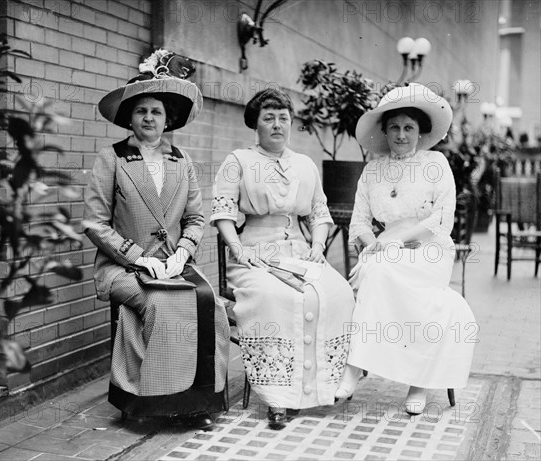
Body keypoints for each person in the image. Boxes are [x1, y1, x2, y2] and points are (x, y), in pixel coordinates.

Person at [83, 50, 229, 430]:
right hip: (121, 268)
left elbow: (196, 219)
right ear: (129, 118)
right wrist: (137, 257)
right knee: (163, 304)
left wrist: (183, 251)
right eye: (141, 110)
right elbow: (95, 224)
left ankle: (197, 402)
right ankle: (149, 402)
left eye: (157, 111)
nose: (149, 118)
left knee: (208, 302)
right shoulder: (112, 159)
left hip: (173, 264)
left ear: (168, 120)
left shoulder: (183, 162)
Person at [210, 88, 355, 429]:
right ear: (255, 125)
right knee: (278, 297)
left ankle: (328, 384)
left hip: (300, 254)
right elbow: (223, 213)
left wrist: (318, 247)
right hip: (255, 256)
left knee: (339, 292)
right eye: (269, 118)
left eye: (283, 119)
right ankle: (279, 396)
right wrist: (239, 249)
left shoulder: (304, 164)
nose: (277, 125)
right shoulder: (239, 161)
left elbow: (319, 212)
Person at [339, 83, 477, 415]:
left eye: (409, 127)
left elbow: (443, 216)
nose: (402, 135)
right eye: (395, 127)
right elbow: (358, 222)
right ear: (385, 131)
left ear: (420, 131)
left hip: (429, 249)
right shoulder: (373, 170)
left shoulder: (436, 163)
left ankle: (419, 383)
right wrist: (374, 245)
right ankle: (355, 367)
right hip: (386, 251)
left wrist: (396, 243)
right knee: (375, 267)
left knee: (382, 272)